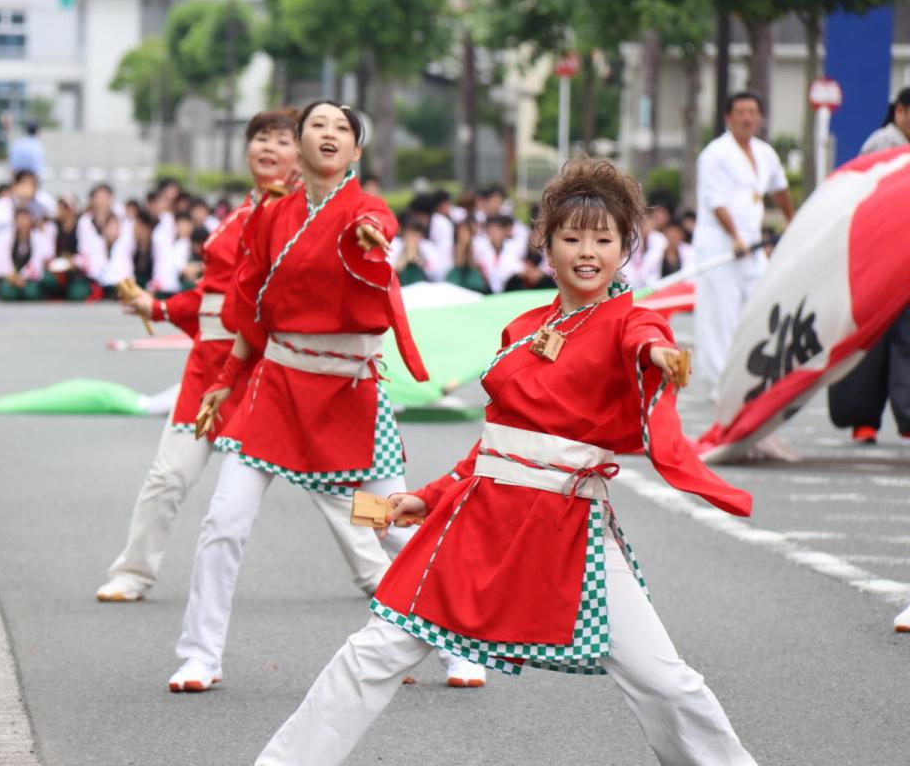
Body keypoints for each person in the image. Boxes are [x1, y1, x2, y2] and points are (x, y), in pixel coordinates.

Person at [257, 159, 757, 765]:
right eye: (572, 237)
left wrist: (658, 353)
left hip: (568, 529)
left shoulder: (629, 319)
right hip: (479, 519)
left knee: (663, 680)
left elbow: (644, 337)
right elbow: (495, 443)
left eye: (604, 239)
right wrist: (430, 497)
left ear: (626, 247)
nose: (588, 252)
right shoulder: (524, 326)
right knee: (375, 650)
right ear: (546, 244)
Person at [168, 101, 485, 695]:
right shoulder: (271, 218)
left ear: (356, 151)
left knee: (391, 523)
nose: (330, 134)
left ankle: (456, 646)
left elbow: (378, 223)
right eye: (318, 125)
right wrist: (226, 379)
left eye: (343, 129)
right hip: (276, 394)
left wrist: (375, 236)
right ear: (301, 142)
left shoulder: (364, 211)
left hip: (348, 400)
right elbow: (251, 309)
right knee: (224, 520)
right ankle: (199, 655)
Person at [94, 109, 310, 604]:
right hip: (207, 368)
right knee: (168, 474)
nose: (268, 147)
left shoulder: (299, 215)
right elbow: (212, 295)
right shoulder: (239, 212)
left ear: (300, 155)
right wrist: (157, 307)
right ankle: (133, 572)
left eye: (281, 140)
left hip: (263, 369)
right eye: (260, 138)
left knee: (329, 483)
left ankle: (381, 575)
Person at [825, 87, 910, 633]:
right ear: (900, 112)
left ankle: (899, 420)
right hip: (880, 265)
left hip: (903, 266)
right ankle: (863, 421)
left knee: (903, 348)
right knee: (873, 351)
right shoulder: (882, 146)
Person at [692, 91, 795, 393]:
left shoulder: (765, 153)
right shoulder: (715, 154)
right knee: (720, 316)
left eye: (752, 112)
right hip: (720, 246)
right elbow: (715, 200)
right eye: (741, 112)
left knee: (760, 306)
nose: (747, 118)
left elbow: (780, 188)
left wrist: (793, 219)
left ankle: (751, 377)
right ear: (729, 117)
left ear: (760, 117)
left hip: (752, 247)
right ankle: (719, 384)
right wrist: (735, 237)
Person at [0, 207, 50, 301]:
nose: (23, 223)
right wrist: (13, 277)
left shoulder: (39, 238)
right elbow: (2, 259)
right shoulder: (4, 237)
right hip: (10, 277)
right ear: (14, 221)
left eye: (25, 220)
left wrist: (23, 277)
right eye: (20, 220)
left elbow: (37, 261)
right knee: (7, 293)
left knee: (31, 292)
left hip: (30, 278)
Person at [446, 219, 491, 293]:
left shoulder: (477, 247)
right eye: (461, 232)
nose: (463, 235)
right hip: (457, 278)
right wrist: (461, 248)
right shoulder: (450, 248)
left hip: (472, 279)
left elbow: (477, 265)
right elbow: (456, 265)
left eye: (466, 232)